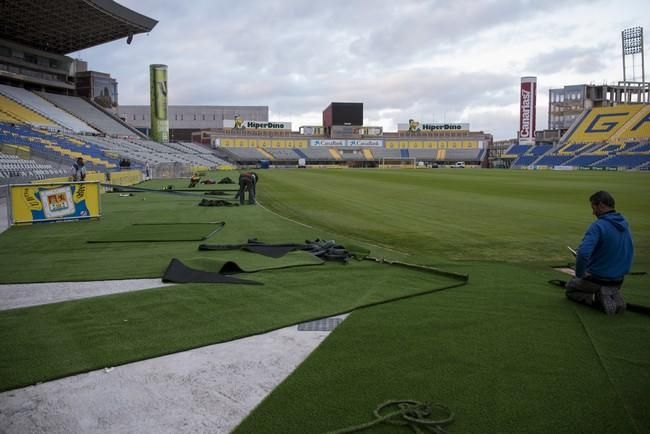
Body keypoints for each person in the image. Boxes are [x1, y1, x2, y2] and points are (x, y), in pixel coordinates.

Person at [564, 191, 634, 314]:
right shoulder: (625, 224)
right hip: (619, 280)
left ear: (601, 205)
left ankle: (597, 298)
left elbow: (583, 253)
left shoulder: (598, 226)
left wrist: (580, 274)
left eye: (594, 208)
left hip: (599, 278)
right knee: (601, 282)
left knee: (570, 288)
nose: (593, 212)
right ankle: (612, 293)